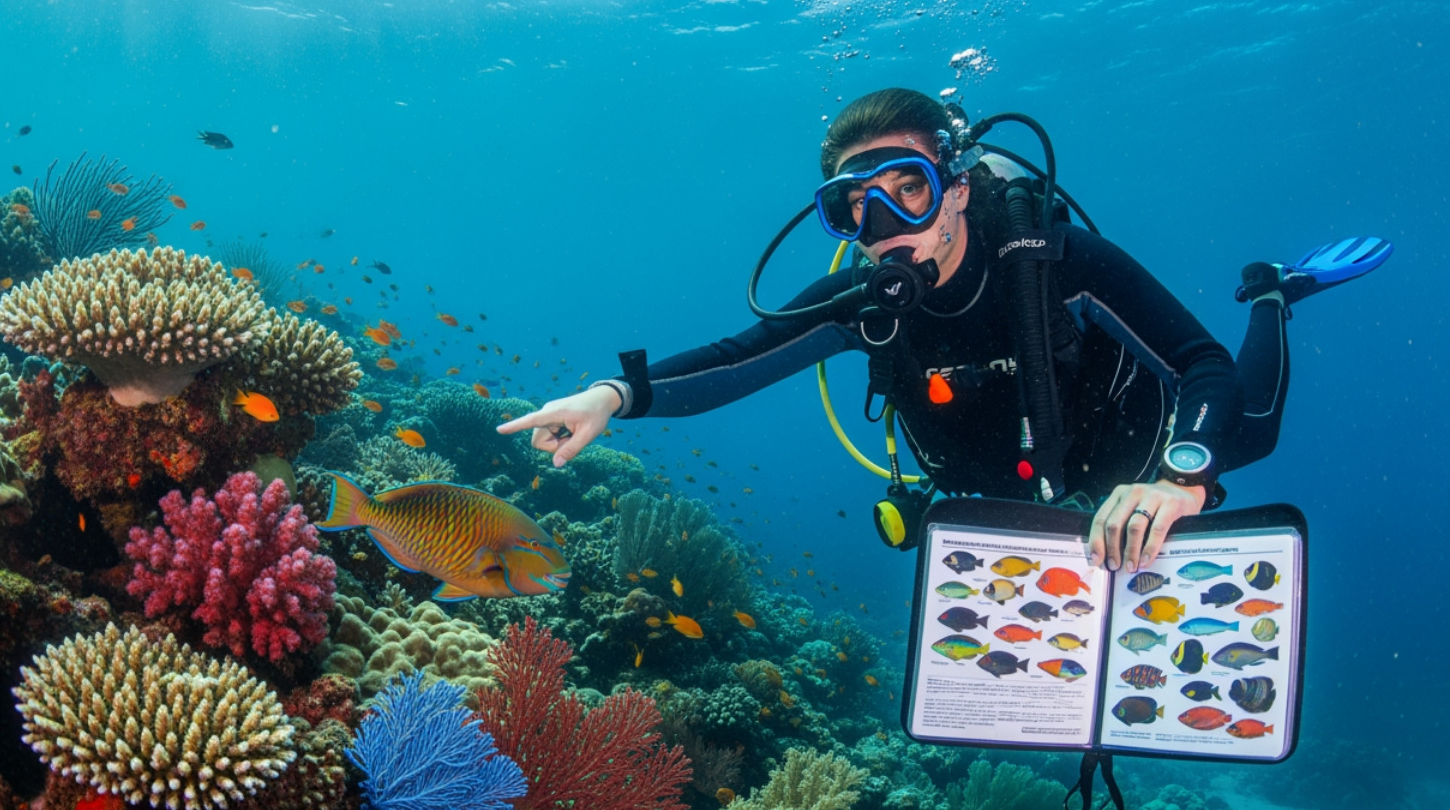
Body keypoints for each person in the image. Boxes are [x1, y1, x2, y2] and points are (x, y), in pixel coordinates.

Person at [499, 88, 1390, 569]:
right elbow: (737, 360)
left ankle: (1271, 291)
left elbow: (1198, 362)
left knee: (1254, 433)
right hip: (996, 484)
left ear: (958, 186)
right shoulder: (864, 302)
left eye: (908, 187)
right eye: (854, 206)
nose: (885, 222)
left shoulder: (1053, 258)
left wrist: (1180, 477)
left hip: (1127, 453)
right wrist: (613, 396)